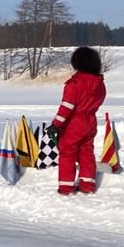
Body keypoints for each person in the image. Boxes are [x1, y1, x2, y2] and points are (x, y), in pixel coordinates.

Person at [48, 47, 105, 195]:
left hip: (74, 124)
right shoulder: (99, 83)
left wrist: (56, 124)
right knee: (87, 152)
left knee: (67, 154)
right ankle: (87, 184)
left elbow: (67, 107)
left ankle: (66, 187)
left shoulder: (75, 83)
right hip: (90, 121)